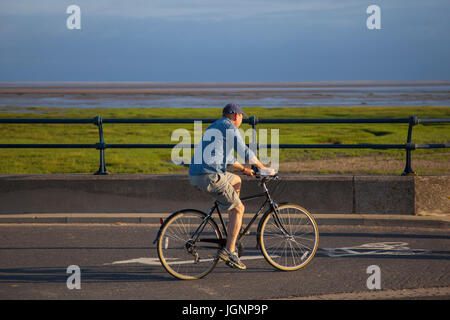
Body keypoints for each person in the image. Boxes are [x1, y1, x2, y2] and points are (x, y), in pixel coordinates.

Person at [189, 102, 275, 270]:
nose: (242, 120)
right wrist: (262, 168)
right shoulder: (229, 127)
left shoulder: (216, 126)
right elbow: (244, 151)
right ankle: (229, 251)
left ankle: (233, 224)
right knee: (239, 208)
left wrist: (244, 169)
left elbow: (227, 157)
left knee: (236, 180)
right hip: (209, 175)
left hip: (197, 174)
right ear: (236, 116)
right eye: (242, 117)